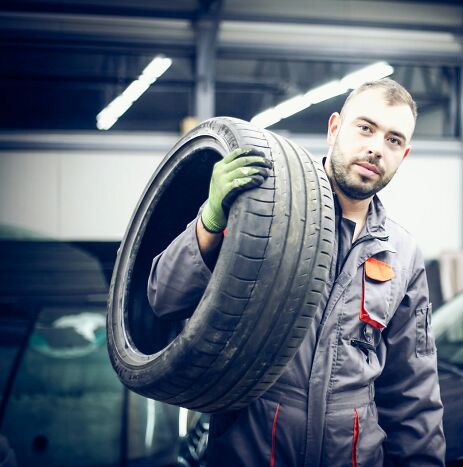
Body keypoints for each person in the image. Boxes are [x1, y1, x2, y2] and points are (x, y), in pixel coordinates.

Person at [148, 78, 445, 466]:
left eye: (393, 140)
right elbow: (165, 297)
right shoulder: (265, 212)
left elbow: (414, 388)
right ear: (334, 129)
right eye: (365, 128)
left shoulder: (402, 254)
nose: (376, 148)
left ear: (403, 155)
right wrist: (212, 218)